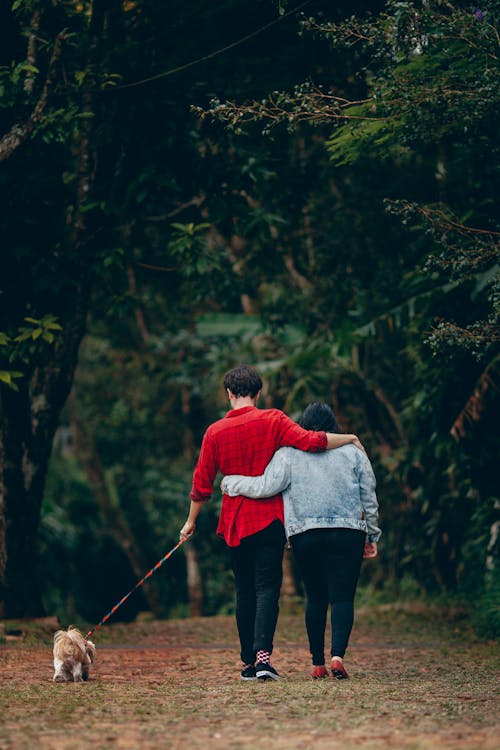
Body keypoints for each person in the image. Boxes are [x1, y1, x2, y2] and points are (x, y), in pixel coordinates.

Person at [179, 366, 364, 681]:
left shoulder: (214, 432)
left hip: (234, 522)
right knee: (267, 588)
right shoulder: (274, 420)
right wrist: (350, 438)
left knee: (244, 590)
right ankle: (264, 659)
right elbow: (311, 441)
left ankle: (247, 664)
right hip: (269, 521)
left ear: (228, 393)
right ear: (258, 392)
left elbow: (202, 484)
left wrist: (190, 522)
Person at [221, 401, 381, 680]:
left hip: (305, 534)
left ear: (303, 426)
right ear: (334, 426)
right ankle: (337, 657)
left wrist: (231, 482)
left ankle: (317, 663)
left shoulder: (288, 454)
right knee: (343, 597)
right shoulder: (354, 453)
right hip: (348, 532)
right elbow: (369, 495)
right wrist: (372, 534)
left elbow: (264, 487)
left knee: (316, 597)